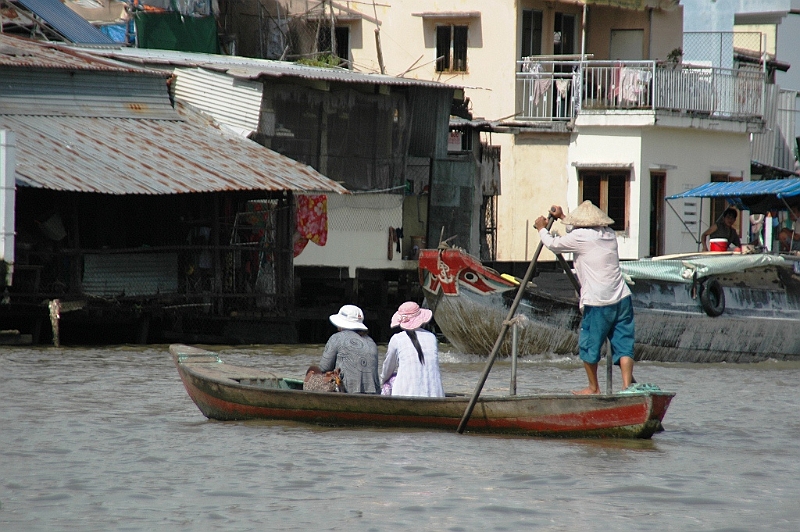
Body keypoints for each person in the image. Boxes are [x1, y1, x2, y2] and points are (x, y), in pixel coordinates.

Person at [534, 201, 635, 394]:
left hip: (598, 301)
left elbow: (554, 245)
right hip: (622, 297)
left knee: (589, 345)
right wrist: (563, 217)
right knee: (624, 344)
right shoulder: (609, 234)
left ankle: (593, 388)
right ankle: (626, 386)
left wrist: (541, 229)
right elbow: (580, 234)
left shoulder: (580, 237)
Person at [380, 301, 445, 397]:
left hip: (404, 394)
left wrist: (382, 381)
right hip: (436, 394)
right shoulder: (432, 337)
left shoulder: (397, 339)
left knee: (388, 381)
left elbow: (388, 369)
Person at [319, 305, 380, 393]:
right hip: (374, 394)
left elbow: (324, 367)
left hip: (348, 393)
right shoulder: (371, 342)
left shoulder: (336, 337)